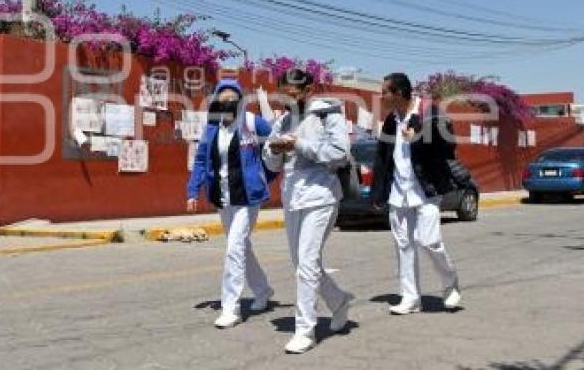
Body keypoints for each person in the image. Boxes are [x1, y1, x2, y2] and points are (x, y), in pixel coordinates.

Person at [263, 69, 354, 354]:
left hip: (321, 195)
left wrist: (299, 144)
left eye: (291, 93)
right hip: (292, 197)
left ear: (307, 89)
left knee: (307, 263)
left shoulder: (329, 115)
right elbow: (272, 162)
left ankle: (305, 329)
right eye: (283, 94)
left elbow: (339, 153)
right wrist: (275, 149)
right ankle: (338, 301)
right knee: (301, 263)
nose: (287, 99)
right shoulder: (284, 120)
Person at [186, 78, 276, 329]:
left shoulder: (250, 122)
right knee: (241, 247)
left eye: (232, 98)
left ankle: (230, 307)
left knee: (234, 248)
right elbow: (202, 161)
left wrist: (265, 176)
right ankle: (263, 290)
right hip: (224, 197)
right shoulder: (212, 128)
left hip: (248, 198)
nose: (227, 102)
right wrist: (193, 191)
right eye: (222, 98)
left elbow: (277, 144)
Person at [371, 72, 461, 315]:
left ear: (399, 93)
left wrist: (420, 138)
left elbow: (448, 145)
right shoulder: (391, 120)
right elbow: (383, 158)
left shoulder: (429, 112)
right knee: (404, 245)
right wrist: (379, 193)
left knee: (430, 242)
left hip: (426, 189)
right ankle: (410, 297)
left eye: (385, 92)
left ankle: (450, 283)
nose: (382, 97)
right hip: (399, 193)